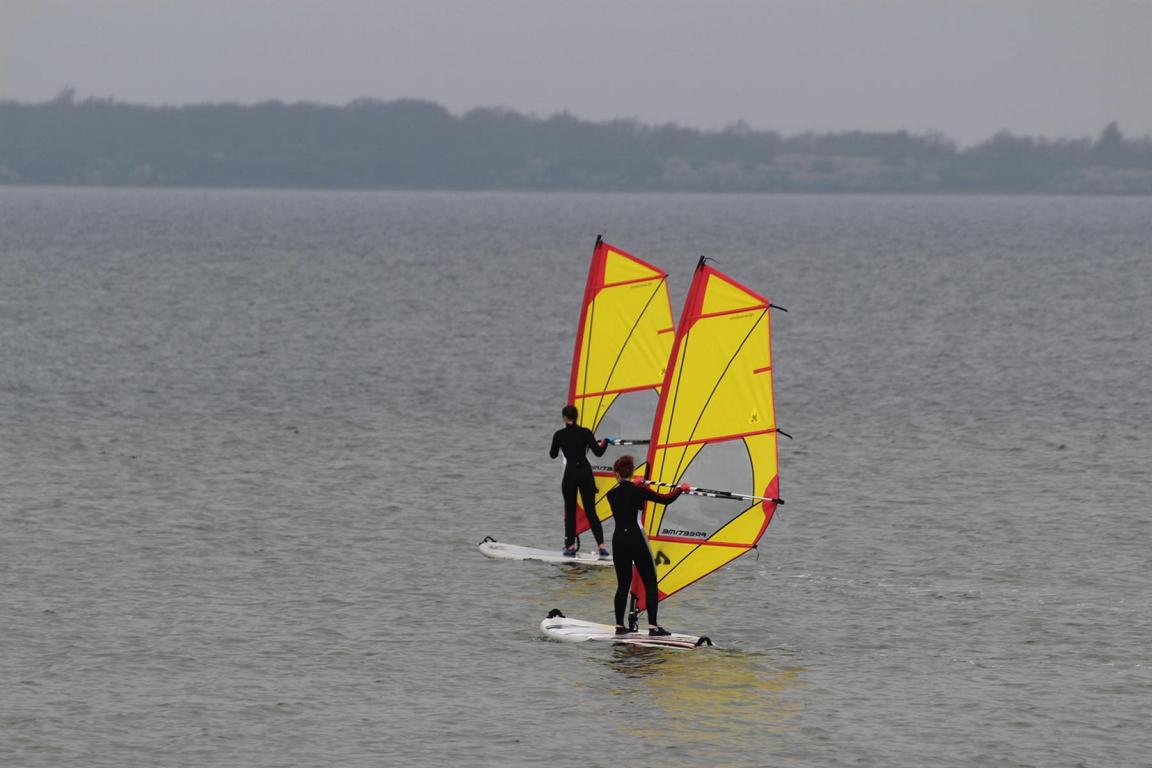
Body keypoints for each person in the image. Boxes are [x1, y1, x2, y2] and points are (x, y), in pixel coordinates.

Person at [604, 454, 688, 637]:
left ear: (616, 474)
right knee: (650, 581)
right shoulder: (639, 491)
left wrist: (637, 485)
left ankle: (619, 626)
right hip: (636, 538)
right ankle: (653, 627)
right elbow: (667, 499)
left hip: (619, 540)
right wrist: (681, 489)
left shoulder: (610, 495)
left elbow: (624, 493)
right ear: (632, 472)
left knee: (622, 585)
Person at [548, 404, 610, 558]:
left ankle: (570, 546)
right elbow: (598, 452)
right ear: (577, 417)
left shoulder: (559, 435)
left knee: (570, 512)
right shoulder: (586, 433)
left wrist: (562, 445)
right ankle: (601, 547)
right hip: (585, 474)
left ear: (564, 418)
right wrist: (606, 442)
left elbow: (553, 455)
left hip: (570, 475)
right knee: (591, 511)